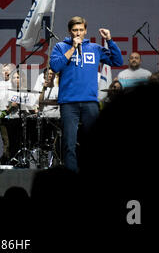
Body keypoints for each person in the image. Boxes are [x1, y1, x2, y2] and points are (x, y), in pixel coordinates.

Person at [49, 16, 123, 173]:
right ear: (70, 31)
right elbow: (55, 66)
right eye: (75, 30)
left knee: (95, 142)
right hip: (68, 103)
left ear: (85, 31)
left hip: (90, 102)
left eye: (81, 30)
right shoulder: (61, 47)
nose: (78, 33)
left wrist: (109, 40)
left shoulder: (95, 48)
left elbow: (117, 61)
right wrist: (72, 49)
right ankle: (71, 177)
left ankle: (92, 175)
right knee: (69, 143)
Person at [0, 63, 15, 164]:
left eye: (8, 70)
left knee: (13, 140)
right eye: (3, 70)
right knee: (5, 140)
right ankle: (6, 159)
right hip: (2, 116)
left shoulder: (15, 83)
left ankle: (11, 159)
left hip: (14, 116)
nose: (6, 72)